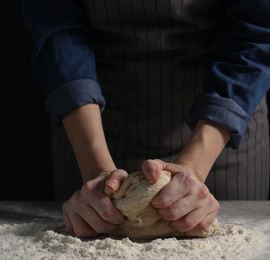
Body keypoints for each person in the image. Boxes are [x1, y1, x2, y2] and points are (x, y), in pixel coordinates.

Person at [21, 0, 270, 238]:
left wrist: (194, 166)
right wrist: (96, 170)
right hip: (90, 124)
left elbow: (259, 29)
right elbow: (55, 23)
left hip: (223, 128)